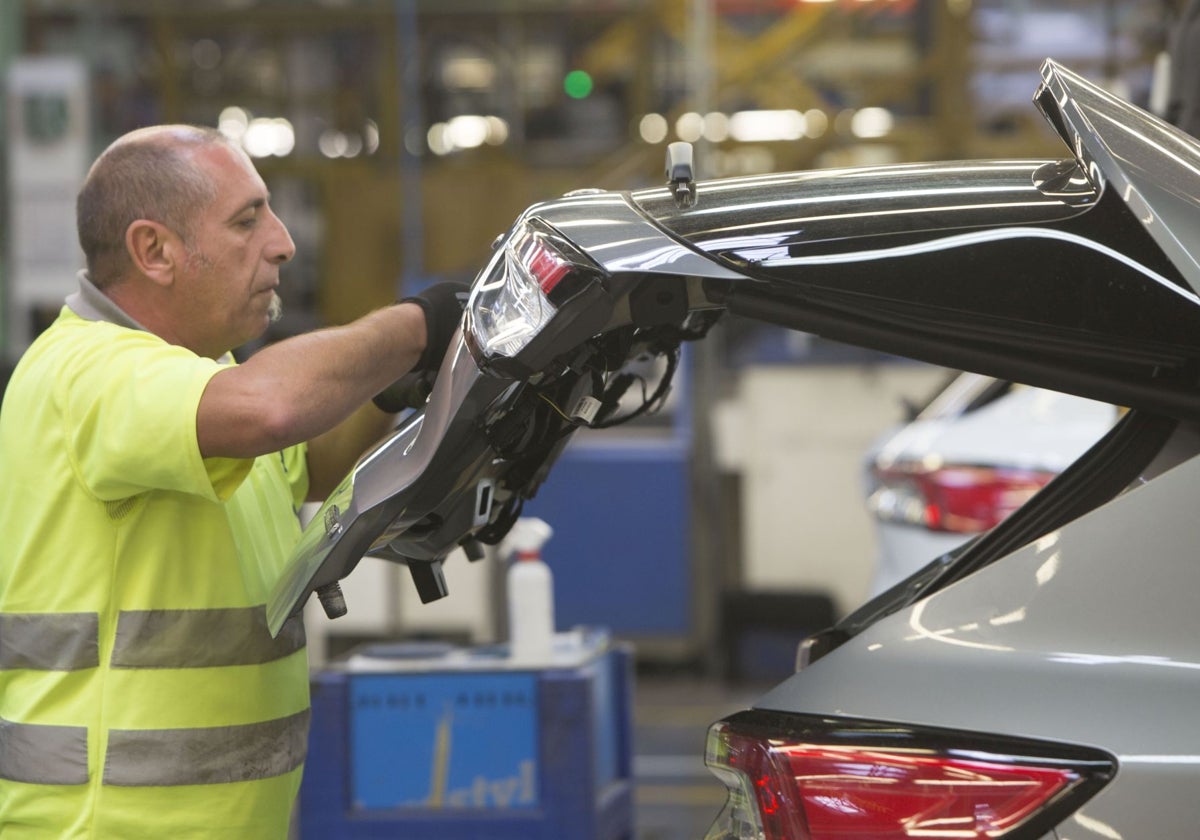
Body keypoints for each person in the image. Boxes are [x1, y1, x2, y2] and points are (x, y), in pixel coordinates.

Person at [0, 124, 467, 838]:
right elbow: (272, 408)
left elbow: (308, 459)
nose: (282, 242)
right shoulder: (87, 371)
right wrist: (418, 326)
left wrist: (398, 384)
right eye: (247, 220)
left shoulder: (201, 389)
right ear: (154, 251)